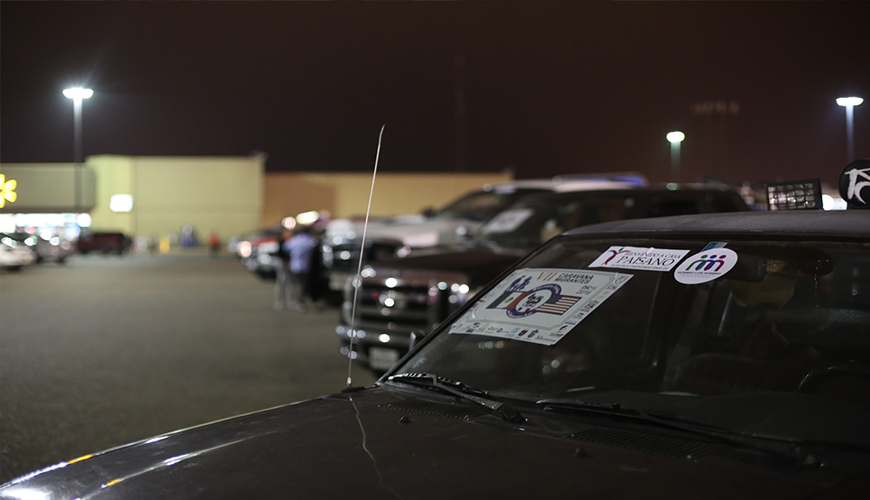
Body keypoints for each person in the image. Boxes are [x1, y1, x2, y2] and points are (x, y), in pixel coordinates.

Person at [287, 225, 316, 311]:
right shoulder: (308, 240)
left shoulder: (294, 240)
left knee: (297, 285)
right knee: (302, 285)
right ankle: (301, 301)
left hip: (294, 266)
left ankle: (298, 301)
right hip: (305, 266)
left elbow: (286, 248)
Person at [273, 228, 293, 310]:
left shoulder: (289, 242)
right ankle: (280, 301)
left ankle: (290, 301)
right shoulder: (282, 242)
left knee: (289, 283)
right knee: (281, 282)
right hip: (282, 263)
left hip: (287, 264)